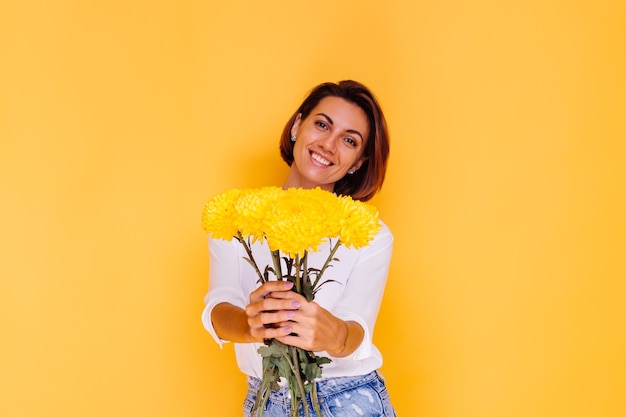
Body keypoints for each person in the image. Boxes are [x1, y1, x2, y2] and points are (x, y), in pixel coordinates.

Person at [202, 80, 396, 416]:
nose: (329, 145)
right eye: (322, 124)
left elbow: (356, 330)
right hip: (265, 401)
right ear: (297, 126)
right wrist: (251, 325)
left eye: (349, 140)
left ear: (357, 162)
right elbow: (218, 309)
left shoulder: (369, 232)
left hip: (348, 400)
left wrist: (332, 335)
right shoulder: (236, 217)